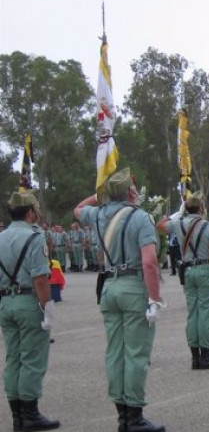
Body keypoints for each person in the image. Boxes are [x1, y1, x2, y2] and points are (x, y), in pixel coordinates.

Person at [74, 167, 166, 432]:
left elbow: (78, 208)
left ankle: (122, 416)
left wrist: (100, 193)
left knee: (115, 353)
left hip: (109, 287)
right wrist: (155, 299)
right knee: (136, 354)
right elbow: (149, 263)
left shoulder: (99, 213)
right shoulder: (140, 217)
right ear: (130, 192)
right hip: (133, 287)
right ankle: (134, 418)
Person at [1, 191, 60, 431]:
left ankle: (17, 414)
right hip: (28, 301)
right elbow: (40, 278)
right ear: (29, 213)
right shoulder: (35, 237)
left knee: (13, 357)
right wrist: (47, 307)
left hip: (5, 302)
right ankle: (30, 413)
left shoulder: (1, 237)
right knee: (32, 358)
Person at [157, 191, 209, 370]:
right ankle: (206, 354)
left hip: (188, 270)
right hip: (205, 269)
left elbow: (160, 225)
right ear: (201, 208)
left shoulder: (179, 224)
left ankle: (195, 356)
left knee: (193, 313)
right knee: (205, 313)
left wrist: (178, 214)